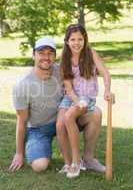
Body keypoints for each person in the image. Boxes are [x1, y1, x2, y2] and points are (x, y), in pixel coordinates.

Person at [56, 24, 111, 178]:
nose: (77, 42)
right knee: (60, 124)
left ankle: (77, 161)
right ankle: (68, 163)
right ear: (67, 41)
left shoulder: (91, 53)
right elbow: (68, 87)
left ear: (85, 39)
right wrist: (76, 101)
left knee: (68, 117)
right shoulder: (65, 59)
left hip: (87, 97)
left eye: (80, 39)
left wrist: (107, 90)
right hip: (71, 97)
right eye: (73, 39)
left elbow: (105, 74)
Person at [9, 36, 63, 172]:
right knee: (40, 166)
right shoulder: (22, 85)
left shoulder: (62, 71)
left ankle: (88, 158)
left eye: (50, 53)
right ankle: (42, 148)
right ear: (33, 55)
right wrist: (19, 153)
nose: (46, 57)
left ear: (55, 56)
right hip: (38, 129)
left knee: (94, 114)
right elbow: (21, 121)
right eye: (41, 53)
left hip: (63, 121)